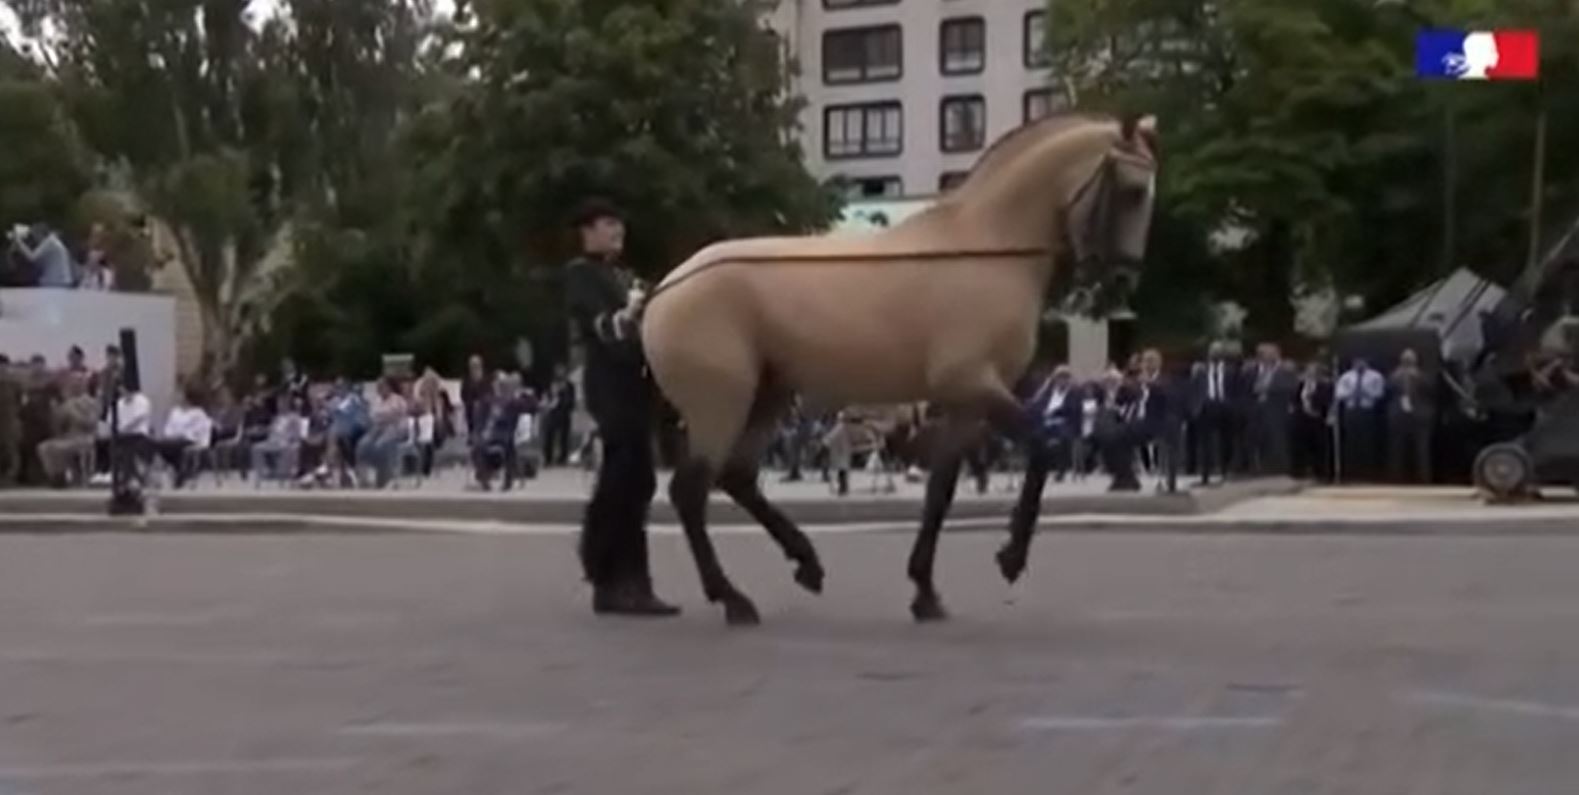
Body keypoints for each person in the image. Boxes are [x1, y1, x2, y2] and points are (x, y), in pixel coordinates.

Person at [562, 197, 678, 616]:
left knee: (636, 479)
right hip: (609, 386)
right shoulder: (581, 275)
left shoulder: (621, 275)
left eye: (619, 225)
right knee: (626, 477)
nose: (618, 232)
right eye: (609, 224)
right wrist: (631, 310)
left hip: (635, 386)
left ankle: (622, 579)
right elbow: (604, 331)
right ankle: (615, 577)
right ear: (587, 230)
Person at [37, 372, 99, 487]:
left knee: (61, 447)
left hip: (84, 438)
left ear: (84, 384)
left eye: (78, 381)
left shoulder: (91, 402)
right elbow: (57, 426)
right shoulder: (67, 402)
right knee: (44, 447)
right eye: (72, 381)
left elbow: (91, 423)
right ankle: (57, 477)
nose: (74, 384)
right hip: (68, 437)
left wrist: (73, 412)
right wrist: (55, 411)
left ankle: (69, 478)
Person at [1387, 349, 1436, 484]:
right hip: (1399, 416)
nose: (1408, 362)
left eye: (1410, 360)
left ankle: (1424, 479)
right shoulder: (1394, 376)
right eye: (1405, 360)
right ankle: (1395, 478)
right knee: (1397, 449)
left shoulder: (1423, 376)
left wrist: (1418, 376)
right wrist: (1396, 376)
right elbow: (1387, 389)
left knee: (1422, 449)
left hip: (1419, 417)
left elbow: (1432, 390)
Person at [1334, 357, 1386, 482]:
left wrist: (1365, 391)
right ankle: (1351, 472)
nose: (1359, 364)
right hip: (1351, 411)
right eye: (1357, 362)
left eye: (1362, 362)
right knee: (1351, 441)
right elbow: (1339, 394)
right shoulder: (1346, 377)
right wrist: (1352, 392)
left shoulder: (1375, 376)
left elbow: (1379, 393)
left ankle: (1367, 472)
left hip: (1367, 411)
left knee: (1367, 441)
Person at [355, 377, 410, 489]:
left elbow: (394, 415)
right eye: (378, 386)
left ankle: (384, 479)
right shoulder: (376, 401)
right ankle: (363, 479)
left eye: (382, 386)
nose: (379, 389)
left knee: (382, 445)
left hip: (395, 429)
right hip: (377, 429)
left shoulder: (398, 400)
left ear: (389, 387)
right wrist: (379, 419)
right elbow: (372, 416)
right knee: (362, 445)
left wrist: (381, 418)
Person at [155, 388, 212, 488]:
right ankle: (181, 471)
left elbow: (199, 429)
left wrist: (183, 435)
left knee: (174, 447)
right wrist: (171, 435)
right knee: (162, 446)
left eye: (179, 397)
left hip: (190, 439)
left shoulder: (198, 412)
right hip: (174, 440)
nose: (177, 400)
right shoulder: (175, 412)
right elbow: (169, 427)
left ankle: (181, 473)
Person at [541, 364, 577, 467]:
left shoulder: (569, 385)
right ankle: (548, 458)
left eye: (562, 370)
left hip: (564, 413)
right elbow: (547, 396)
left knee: (564, 437)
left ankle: (563, 458)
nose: (560, 372)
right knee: (549, 436)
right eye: (558, 370)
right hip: (552, 413)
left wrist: (564, 403)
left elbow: (571, 400)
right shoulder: (551, 384)